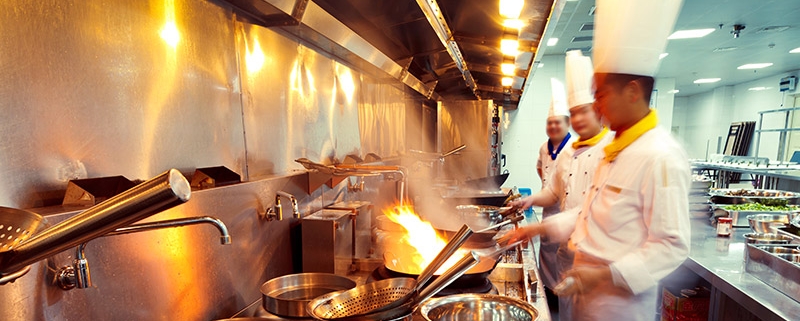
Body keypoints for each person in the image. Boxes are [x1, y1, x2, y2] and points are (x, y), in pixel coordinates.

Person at [503, 0, 689, 320]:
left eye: (601, 95)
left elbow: (671, 246)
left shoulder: (660, 155)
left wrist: (604, 275)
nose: (597, 108)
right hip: (582, 286)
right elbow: (587, 216)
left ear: (632, 91)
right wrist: (533, 230)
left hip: (619, 305)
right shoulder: (615, 150)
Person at [509, 50, 611, 320]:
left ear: (599, 111)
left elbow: (591, 211)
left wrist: (538, 227)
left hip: (600, 262)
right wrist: (529, 201)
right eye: (573, 112)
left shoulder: (611, 151)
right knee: (567, 313)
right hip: (570, 255)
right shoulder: (568, 153)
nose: (577, 120)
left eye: (583, 112)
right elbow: (554, 191)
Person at [535, 78, 574, 307]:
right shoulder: (544, 147)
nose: (553, 127)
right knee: (546, 252)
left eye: (557, 123)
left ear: (567, 124)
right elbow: (539, 166)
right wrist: (545, 189)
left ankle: (559, 298)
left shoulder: (573, 150)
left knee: (563, 257)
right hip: (548, 208)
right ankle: (548, 294)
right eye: (549, 123)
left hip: (566, 213)